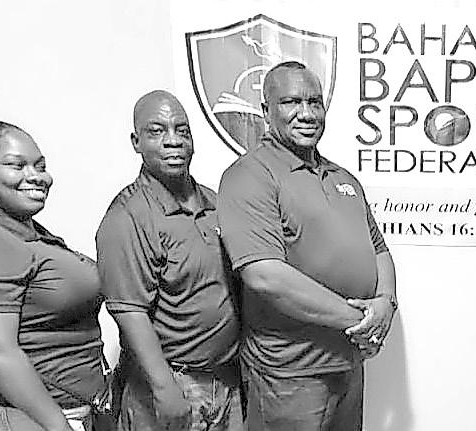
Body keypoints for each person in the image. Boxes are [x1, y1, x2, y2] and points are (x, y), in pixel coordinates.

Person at [217, 61, 397, 431]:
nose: (307, 113)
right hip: (289, 376)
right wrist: (362, 322)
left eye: (314, 102)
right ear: (266, 110)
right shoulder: (250, 175)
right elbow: (265, 275)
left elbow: (379, 250)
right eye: (291, 102)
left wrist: (385, 303)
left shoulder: (344, 178)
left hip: (348, 365)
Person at [0, 120, 107, 431]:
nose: (37, 176)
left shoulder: (23, 233)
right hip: (8, 416)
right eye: (17, 166)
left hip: (60, 412)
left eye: (40, 166)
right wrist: (58, 426)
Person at [97, 90, 243, 430]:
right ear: (136, 142)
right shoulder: (128, 216)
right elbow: (129, 311)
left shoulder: (215, 202)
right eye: (157, 131)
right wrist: (164, 388)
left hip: (227, 381)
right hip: (173, 383)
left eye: (182, 130)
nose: (173, 140)